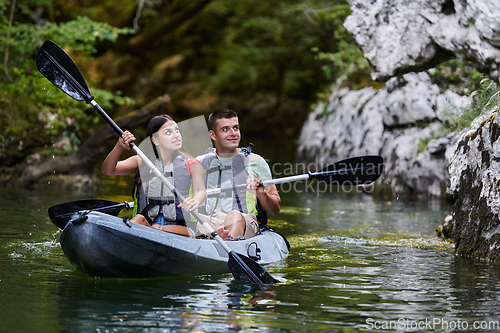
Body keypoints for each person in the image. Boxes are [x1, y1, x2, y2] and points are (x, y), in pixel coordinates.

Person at [102, 115, 206, 238]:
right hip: (145, 224)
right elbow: (108, 170)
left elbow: (201, 191)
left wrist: (195, 201)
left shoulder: (192, 164)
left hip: (182, 229)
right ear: (155, 140)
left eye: (177, 130)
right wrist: (119, 146)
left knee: (155, 227)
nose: (176, 135)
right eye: (168, 132)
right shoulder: (141, 162)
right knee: (139, 219)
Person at [196, 108, 280, 239]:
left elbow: (275, 210)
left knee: (234, 215)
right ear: (213, 135)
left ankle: (228, 244)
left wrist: (262, 194)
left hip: (244, 220)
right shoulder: (198, 163)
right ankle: (214, 239)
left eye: (235, 128)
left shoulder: (257, 162)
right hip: (209, 221)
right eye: (225, 129)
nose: (233, 133)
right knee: (193, 220)